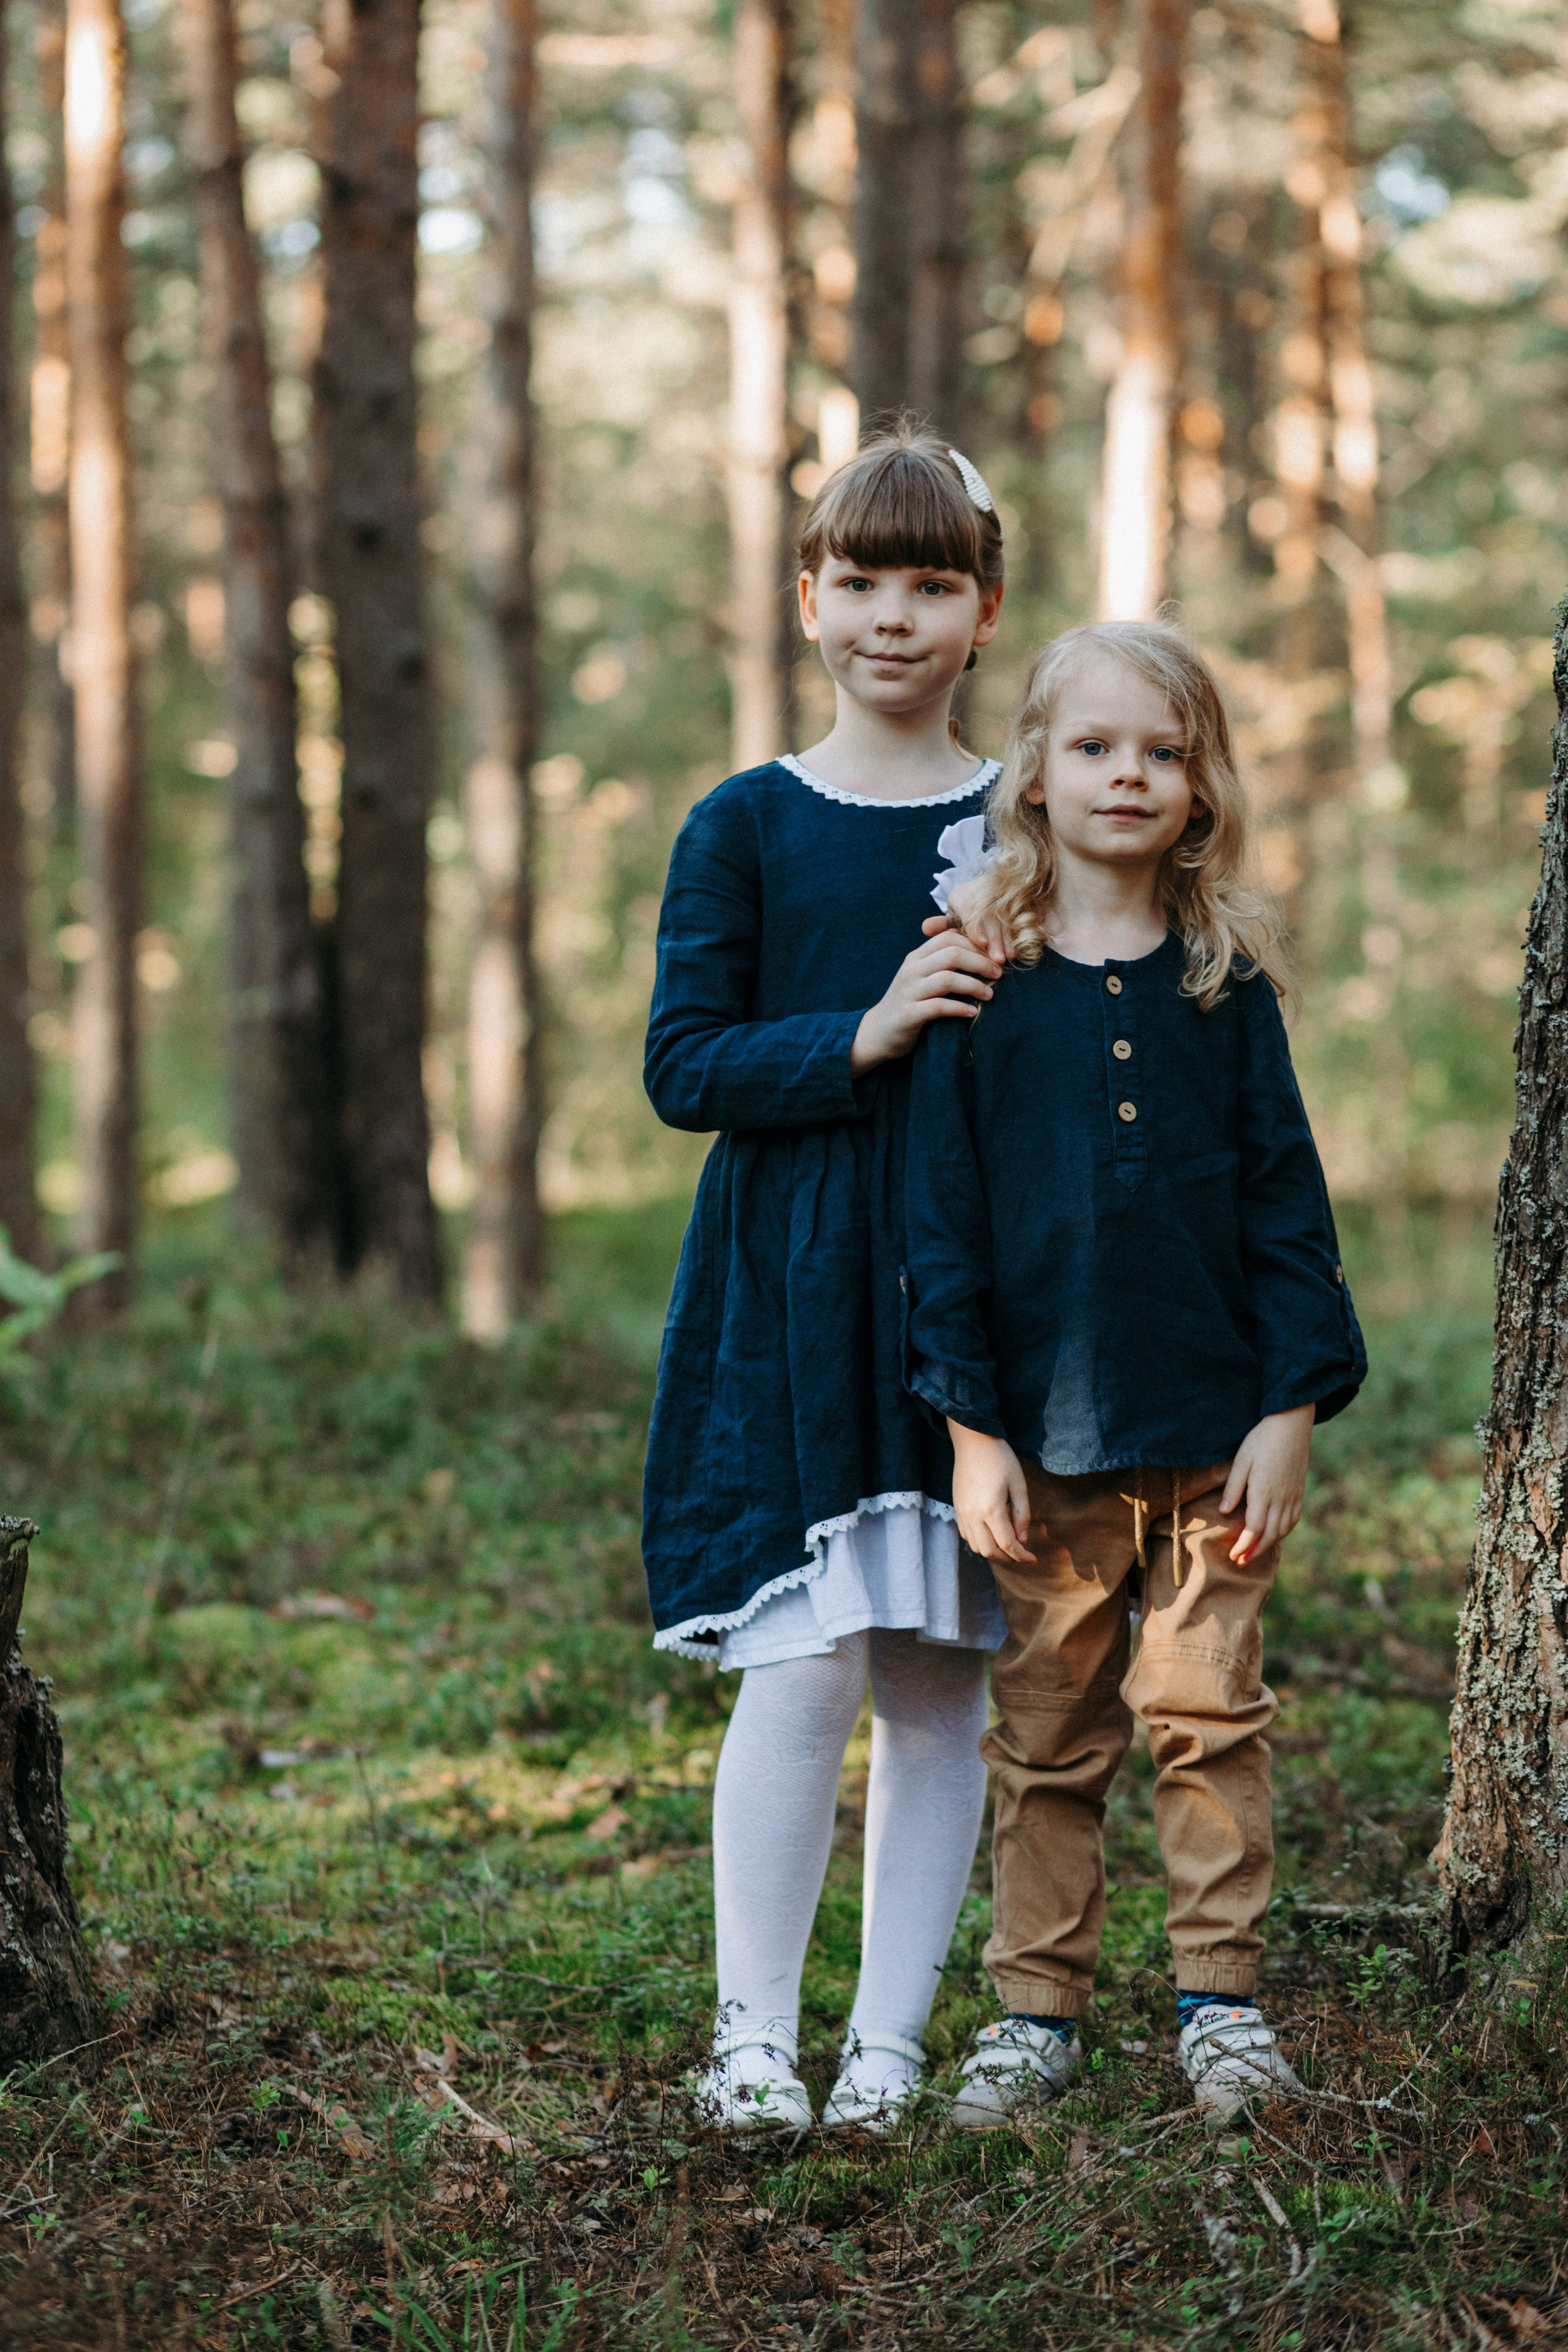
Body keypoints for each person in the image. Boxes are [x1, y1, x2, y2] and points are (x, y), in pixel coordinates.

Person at [902, 619, 1365, 2126]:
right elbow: (944, 1227)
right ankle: (1035, 2014)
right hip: (1041, 1447)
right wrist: (972, 1432)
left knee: (1209, 1720)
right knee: (1044, 1735)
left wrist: (1288, 1407)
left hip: (1215, 1435)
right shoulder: (980, 981)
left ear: (1200, 783)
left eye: (1162, 752)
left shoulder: (1223, 982)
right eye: (1094, 746)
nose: (1128, 775)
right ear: (1031, 771)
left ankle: (1218, 2005)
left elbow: (1284, 1206)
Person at [643, 429, 1012, 2134]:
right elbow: (685, 1063)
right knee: (804, 1665)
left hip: (973, 1288)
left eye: (931, 584)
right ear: (809, 600)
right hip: (793, 1283)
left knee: (940, 1668)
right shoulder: (748, 822)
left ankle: (887, 2044)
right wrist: (857, 1036)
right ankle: (752, 2041)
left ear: (983, 611)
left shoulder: (1023, 813)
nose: (893, 617)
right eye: (860, 581)